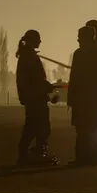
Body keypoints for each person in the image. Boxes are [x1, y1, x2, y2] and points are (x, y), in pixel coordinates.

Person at [67, 25, 97, 166]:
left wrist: (71, 98)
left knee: (84, 131)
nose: (78, 39)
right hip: (95, 100)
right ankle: (95, 158)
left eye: (80, 37)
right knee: (94, 130)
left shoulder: (79, 54)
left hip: (84, 100)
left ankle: (83, 158)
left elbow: (74, 78)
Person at [15, 29, 59, 166]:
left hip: (33, 96)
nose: (40, 42)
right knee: (39, 127)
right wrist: (49, 87)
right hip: (35, 97)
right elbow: (36, 79)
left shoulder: (26, 56)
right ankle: (35, 154)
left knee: (35, 126)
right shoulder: (29, 57)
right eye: (37, 39)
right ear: (31, 40)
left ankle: (33, 153)